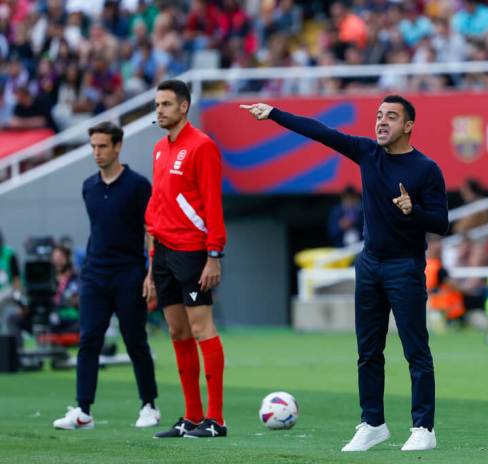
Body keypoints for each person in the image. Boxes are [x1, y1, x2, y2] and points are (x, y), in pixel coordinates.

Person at [241, 95, 448, 452]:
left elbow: (441, 223)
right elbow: (322, 132)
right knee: (368, 351)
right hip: (369, 263)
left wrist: (414, 210)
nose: (381, 122)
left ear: (409, 125)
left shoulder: (425, 169)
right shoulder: (367, 153)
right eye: (379, 115)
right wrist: (274, 114)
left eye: (391, 117)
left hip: (404, 266)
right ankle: (372, 423)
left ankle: (423, 428)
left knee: (415, 350)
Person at [53, 121, 159, 430]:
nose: (97, 152)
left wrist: (151, 272)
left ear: (117, 146)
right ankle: (83, 411)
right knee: (89, 341)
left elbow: (151, 231)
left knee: (135, 341)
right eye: (93, 147)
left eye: (102, 146)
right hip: (95, 275)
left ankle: (149, 406)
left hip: (129, 274)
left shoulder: (138, 185)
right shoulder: (89, 186)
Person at [148, 80, 227, 439]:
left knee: (200, 329)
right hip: (163, 253)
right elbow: (158, 206)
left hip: (193, 252)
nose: (160, 110)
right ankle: (191, 418)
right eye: (157, 104)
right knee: (177, 331)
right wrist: (152, 264)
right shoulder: (159, 149)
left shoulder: (203, 146)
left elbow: (212, 202)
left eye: (166, 104)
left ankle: (216, 419)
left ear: (184, 107)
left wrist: (214, 255)